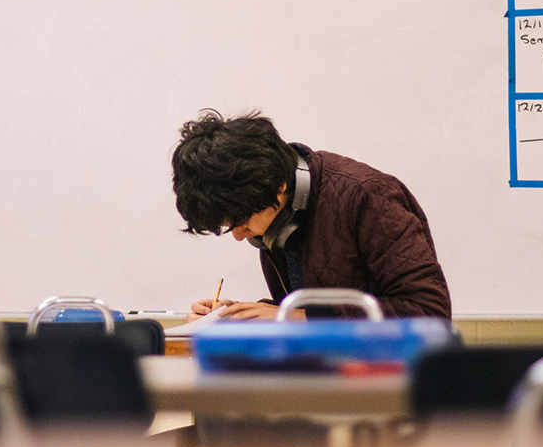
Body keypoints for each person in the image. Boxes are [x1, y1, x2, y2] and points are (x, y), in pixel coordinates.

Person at [171, 110, 451, 322]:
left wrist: (295, 318)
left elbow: (429, 311)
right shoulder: (279, 216)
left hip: (385, 375)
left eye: (242, 222)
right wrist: (242, 316)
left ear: (278, 186)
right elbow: (312, 308)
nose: (238, 236)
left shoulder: (368, 195)